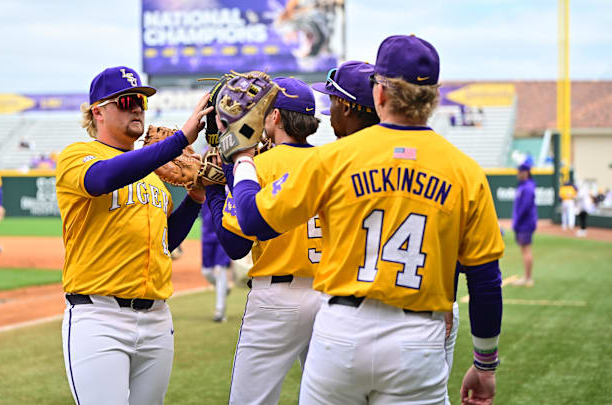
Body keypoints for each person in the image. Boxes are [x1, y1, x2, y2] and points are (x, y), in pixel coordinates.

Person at [227, 35, 504, 405]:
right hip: (417, 337)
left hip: (342, 331)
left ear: (380, 93)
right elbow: (485, 280)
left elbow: (251, 219)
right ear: (433, 97)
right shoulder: (465, 171)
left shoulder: (334, 158)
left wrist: (243, 158)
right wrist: (485, 365)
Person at [55, 66, 213, 405]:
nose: (137, 108)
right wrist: (179, 140)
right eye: (127, 101)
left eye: (141, 101)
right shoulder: (78, 156)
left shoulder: (154, 177)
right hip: (99, 317)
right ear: (98, 112)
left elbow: (165, 242)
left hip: (156, 318)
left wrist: (196, 198)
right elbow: (101, 179)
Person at [206, 77, 324, 405]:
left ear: (274, 116)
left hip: (276, 299)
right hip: (329, 297)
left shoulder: (259, 166)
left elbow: (236, 246)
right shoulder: (331, 162)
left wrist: (214, 192)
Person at [200, 201, 232, 322]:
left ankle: (220, 312)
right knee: (206, 271)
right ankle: (224, 287)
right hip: (206, 234)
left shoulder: (227, 190)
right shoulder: (203, 189)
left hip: (223, 232)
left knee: (220, 270)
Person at [512, 163, 537, 287]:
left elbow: (524, 207)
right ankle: (527, 276)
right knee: (525, 250)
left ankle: (528, 278)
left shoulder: (527, 187)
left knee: (526, 250)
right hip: (523, 222)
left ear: (525, 172)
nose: (518, 174)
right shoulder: (523, 186)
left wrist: (516, 222)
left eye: (520, 171)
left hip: (525, 223)